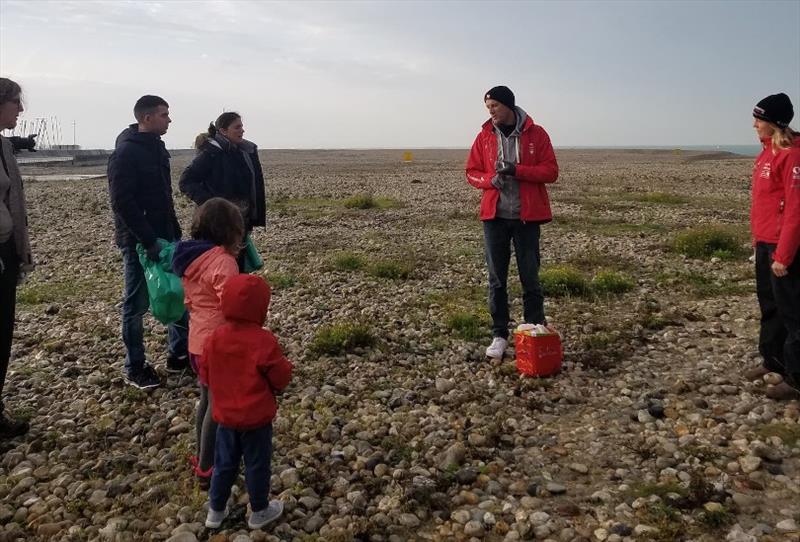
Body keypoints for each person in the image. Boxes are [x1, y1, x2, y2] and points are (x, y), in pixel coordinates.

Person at [465, 86, 559, 359]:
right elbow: (471, 172)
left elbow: (551, 171)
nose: (491, 111)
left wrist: (517, 170)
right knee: (497, 280)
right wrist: (488, 181)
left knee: (530, 277)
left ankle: (535, 330)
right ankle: (499, 335)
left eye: (494, 105)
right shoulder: (484, 136)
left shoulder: (536, 134)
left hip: (527, 218)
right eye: (488, 107)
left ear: (508, 105)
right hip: (494, 218)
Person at [107, 95, 189, 389]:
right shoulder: (126, 153)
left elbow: (163, 197)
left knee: (178, 293)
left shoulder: (157, 149)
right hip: (139, 243)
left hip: (167, 236)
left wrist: (172, 233)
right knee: (136, 303)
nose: (169, 119)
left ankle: (179, 357)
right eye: (165, 114)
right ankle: (135, 366)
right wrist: (148, 239)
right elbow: (122, 202)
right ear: (147, 118)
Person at [201, 273, 292, 530]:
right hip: (255, 418)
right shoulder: (263, 340)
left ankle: (215, 511)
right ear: (261, 307)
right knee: (257, 464)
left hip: (225, 417)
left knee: (224, 465)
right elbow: (280, 376)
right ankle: (260, 510)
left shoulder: (215, 338)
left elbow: (205, 374)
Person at [172, 198, 244, 489]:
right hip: (218, 344)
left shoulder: (191, 259)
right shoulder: (223, 262)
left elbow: (189, 301)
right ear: (229, 232)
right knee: (216, 406)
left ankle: (202, 454)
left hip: (196, 342)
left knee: (205, 399)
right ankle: (207, 469)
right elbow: (232, 305)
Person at [744, 92, 800, 400]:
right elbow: (763, 204)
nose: (754, 124)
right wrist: (757, 242)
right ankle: (773, 360)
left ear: (774, 123)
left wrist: (785, 255)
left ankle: (796, 377)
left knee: (792, 312)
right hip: (765, 243)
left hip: (785, 248)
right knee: (770, 305)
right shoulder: (766, 153)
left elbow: (795, 209)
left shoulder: (792, 155)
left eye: (759, 119)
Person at [179, 112, 266, 270]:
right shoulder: (211, 153)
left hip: (240, 221)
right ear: (223, 131)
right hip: (215, 224)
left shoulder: (246, 152)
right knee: (219, 266)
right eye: (237, 127)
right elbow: (186, 181)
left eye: (242, 126)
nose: (242, 130)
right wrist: (212, 204)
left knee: (237, 267)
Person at [0, 77, 34, 439]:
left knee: (4, 332)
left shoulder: (3, 146)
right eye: (15, 103)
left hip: (7, 251)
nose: (20, 110)